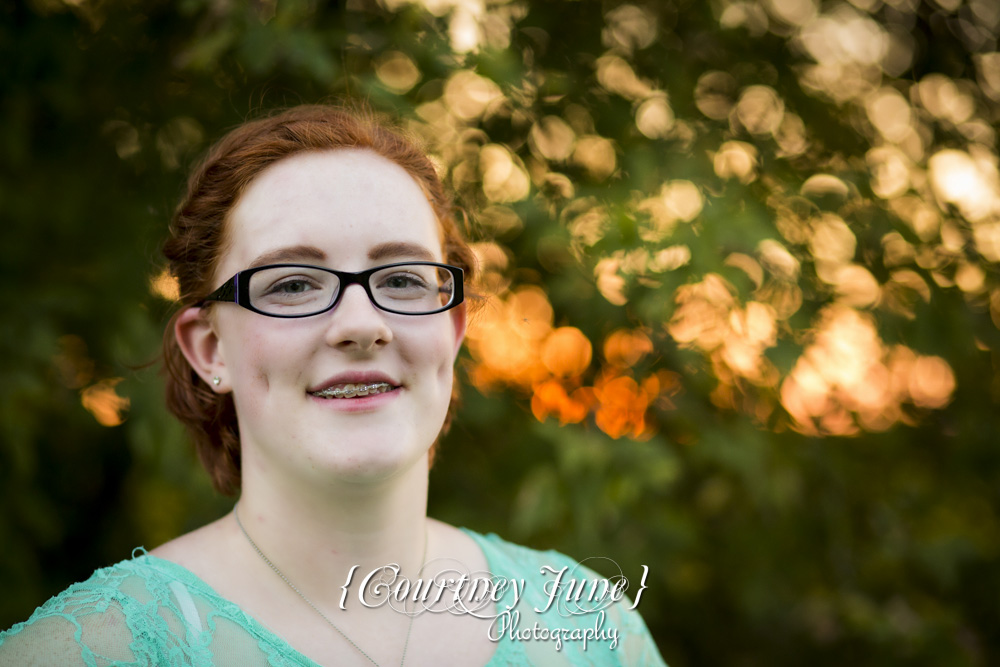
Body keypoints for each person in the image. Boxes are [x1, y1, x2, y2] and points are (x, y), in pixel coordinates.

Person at [0, 105, 666, 666]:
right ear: (210, 349)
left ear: (453, 328)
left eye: (403, 278)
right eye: (292, 284)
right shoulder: (86, 651)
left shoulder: (593, 631)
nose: (361, 325)